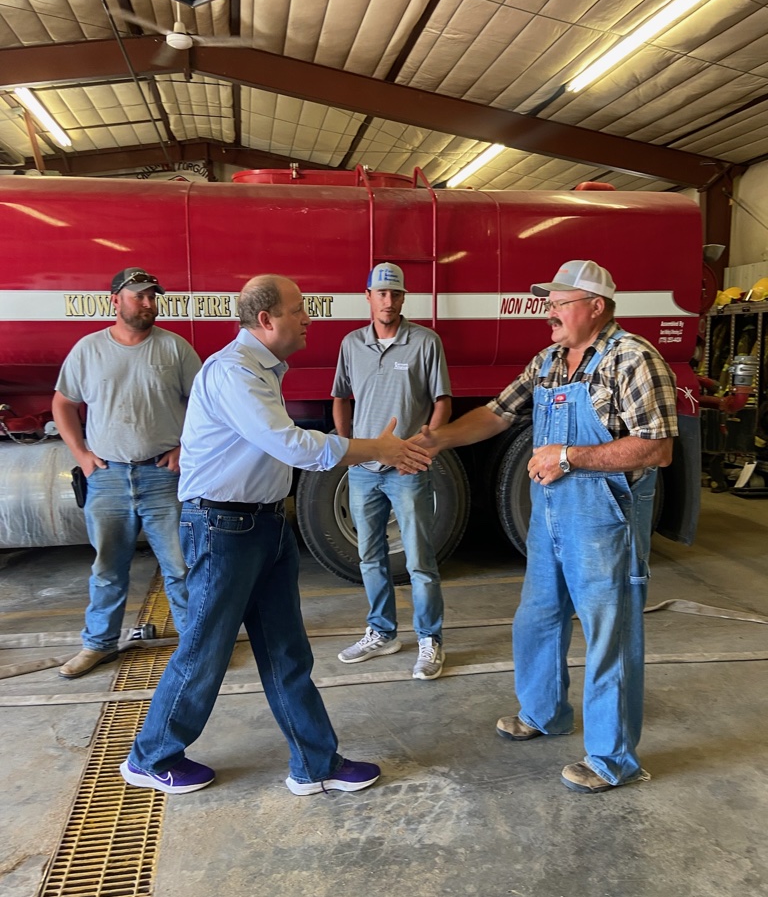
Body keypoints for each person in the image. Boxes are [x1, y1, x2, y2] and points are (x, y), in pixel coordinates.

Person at [120, 274, 432, 797]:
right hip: (223, 528)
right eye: (299, 310)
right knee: (204, 651)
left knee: (287, 651)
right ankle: (150, 756)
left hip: (262, 524)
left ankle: (314, 763)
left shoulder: (260, 370)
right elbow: (291, 445)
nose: (309, 318)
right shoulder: (233, 372)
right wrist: (374, 449)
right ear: (266, 320)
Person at [415, 259, 678, 793]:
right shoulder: (549, 360)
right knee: (537, 617)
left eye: (558, 303)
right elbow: (497, 413)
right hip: (552, 513)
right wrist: (436, 440)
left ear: (596, 306)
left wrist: (570, 456)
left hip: (604, 517)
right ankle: (544, 712)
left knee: (610, 635)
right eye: (548, 303)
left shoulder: (633, 359)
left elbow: (657, 447)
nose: (548, 312)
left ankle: (613, 759)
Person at [53, 269, 201, 680]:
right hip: (108, 479)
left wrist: (183, 447)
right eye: (140, 296)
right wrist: (81, 454)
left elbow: (206, 405)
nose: (149, 304)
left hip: (163, 477)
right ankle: (98, 645)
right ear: (115, 300)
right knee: (107, 570)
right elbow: (63, 403)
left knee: (181, 567)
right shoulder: (88, 350)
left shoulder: (175, 349)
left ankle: (196, 650)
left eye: (154, 296)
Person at [332, 262, 452, 680]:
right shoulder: (351, 344)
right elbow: (341, 397)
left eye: (395, 294)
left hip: (406, 470)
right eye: (380, 293)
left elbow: (441, 401)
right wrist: (348, 448)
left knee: (419, 558)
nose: (388, 300)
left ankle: (429, 640)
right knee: (370, 556)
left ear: (403, 298)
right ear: (367, 297)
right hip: (363, 470)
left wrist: (425, 445)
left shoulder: (425, 342)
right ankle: (382, 633)